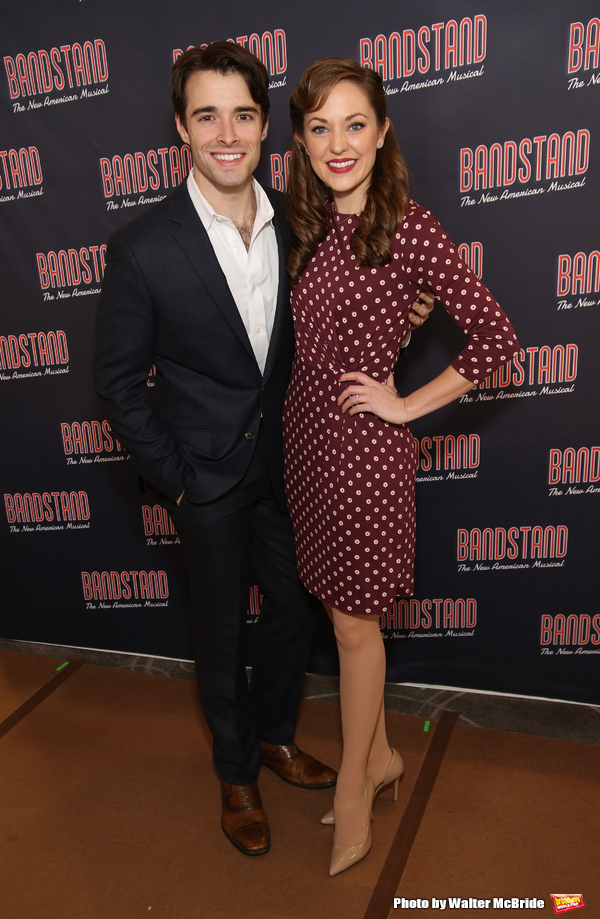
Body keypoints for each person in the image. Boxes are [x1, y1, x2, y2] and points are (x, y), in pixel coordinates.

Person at [94, 43, 432, 859]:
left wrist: (407, 315)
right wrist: (178, 482)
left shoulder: (305, 219)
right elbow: (115, 386)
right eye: (206, 115)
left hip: (296, 466)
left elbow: (351, 306)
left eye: (242, 114)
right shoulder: (142, 248)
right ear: (180, 126)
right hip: (204, 481)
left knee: (294, 609)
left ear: (262, 126)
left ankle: (278, 734)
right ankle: (237, 772)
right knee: (218, 632)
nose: (226, 133)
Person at [283, 57, 520, 876]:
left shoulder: (412, 227)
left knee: (355, 627)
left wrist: (406, 403)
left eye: (355, 124)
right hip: (307, 444)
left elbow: (498, 341)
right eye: (319, 127)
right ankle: (380, 755)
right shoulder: (304, 223)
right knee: (339, 614)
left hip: (363, 457)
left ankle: (354, 785)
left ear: (383, 133)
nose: (337, 143)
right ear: (302, 141)